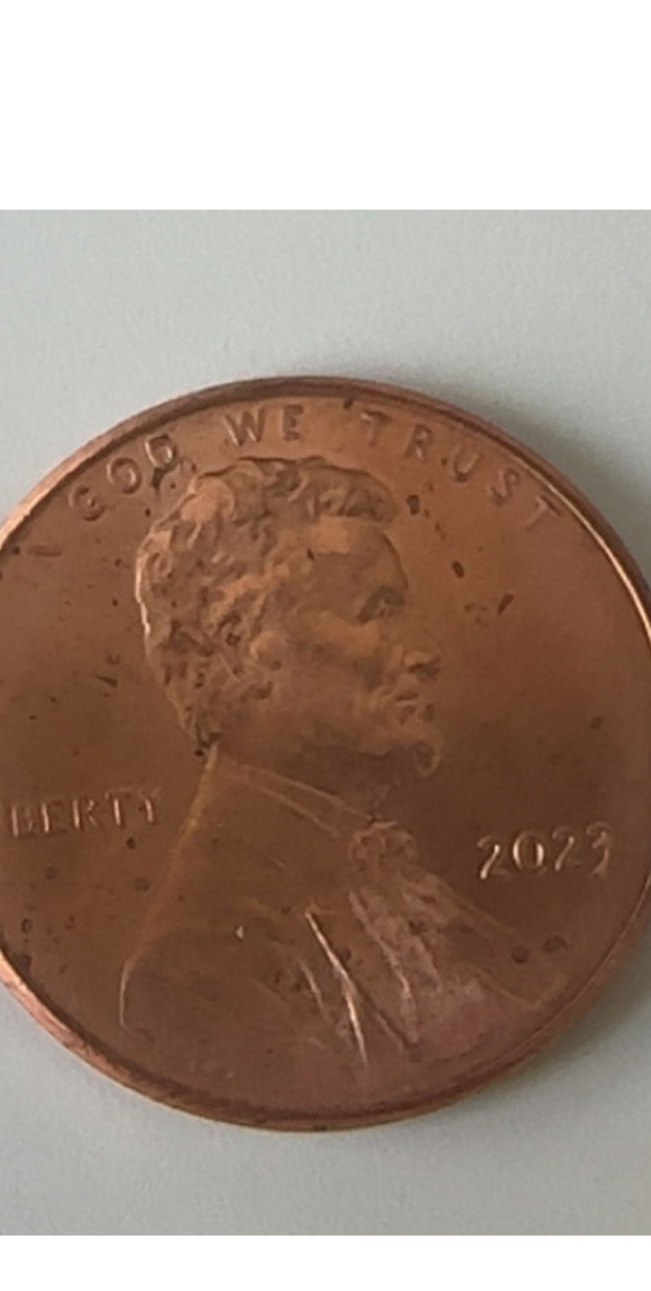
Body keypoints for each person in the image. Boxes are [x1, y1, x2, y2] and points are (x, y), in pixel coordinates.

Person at [120, 456, 556, 1110]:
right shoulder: (193, 970)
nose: (423, 650)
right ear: (240, 644)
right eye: (375, 610)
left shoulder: (398, 885)